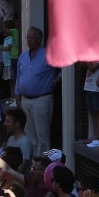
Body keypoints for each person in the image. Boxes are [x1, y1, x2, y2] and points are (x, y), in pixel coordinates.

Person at [15, 27, 61, 156]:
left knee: (42, 135)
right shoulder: (23, 56)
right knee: (29, 135)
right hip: (25, 100)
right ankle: (33, 163)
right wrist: (17, 95)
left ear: (39, 40)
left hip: (41, 99)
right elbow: (19, 77)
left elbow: (65, 67)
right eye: (28, 38)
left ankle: (43, 164)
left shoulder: (48, 55)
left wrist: (57, 80)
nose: (29, 41)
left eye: (32, 38)